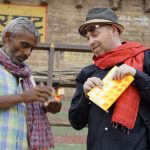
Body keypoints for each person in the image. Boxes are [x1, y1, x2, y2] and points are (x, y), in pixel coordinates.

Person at [69, 7, 150, 150]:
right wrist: (86, 96)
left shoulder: (144, 58)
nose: (90, 42)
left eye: (95, 34)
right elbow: (76, 122)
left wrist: (136, 75)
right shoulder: (87, 73)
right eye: (88, 38)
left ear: (114, 30)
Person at [0, 17, 62, 150]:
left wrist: (46, 106)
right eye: (24, 45)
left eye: (32, 49)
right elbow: (24, 98)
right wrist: (22, 97)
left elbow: (30, 109)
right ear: (7, 37)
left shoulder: (26, 75)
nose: (28, 53)